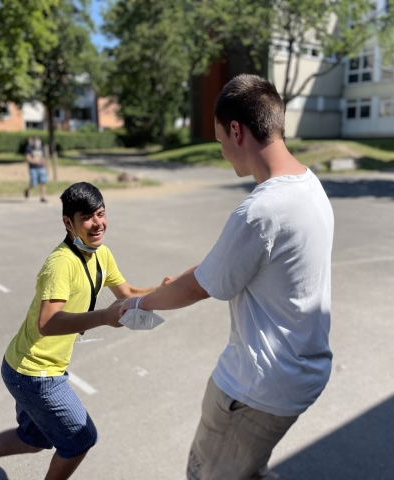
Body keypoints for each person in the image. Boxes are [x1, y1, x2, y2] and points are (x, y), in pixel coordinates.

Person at [120, 74, 334, 480]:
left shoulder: (261, 211)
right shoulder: (308, 186)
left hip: (256, 387)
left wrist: (137, 304)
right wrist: (174, 284)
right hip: (299, 374)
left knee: (206, 474)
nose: (222, 151)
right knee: (246, 468)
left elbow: (200, 287)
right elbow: (218, 269)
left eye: (220, 141)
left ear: (236, 131)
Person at [0, 182, 170, 480]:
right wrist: (104, 317)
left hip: (28, 366)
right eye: (87, 218)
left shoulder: (101, 254)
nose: (98, 223)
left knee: (34, 439)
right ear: (68, 223)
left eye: (101, 213)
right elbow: (47, 323)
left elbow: (127, 292)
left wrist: (161, 290)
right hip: (34, 373)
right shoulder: (61, 264)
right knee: (81, 439)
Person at [24, 136, 48, 203]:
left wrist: (45, 167)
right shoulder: (29, 148)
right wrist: (34, 161)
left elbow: (43, 158)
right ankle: (27, 190)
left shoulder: (41, 148)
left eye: (38, 140)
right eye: (36, 140)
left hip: (41, 168)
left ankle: (42, 197)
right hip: (33, 168)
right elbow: (28, 158)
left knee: (43, 182)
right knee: (33, 183)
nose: (37, 142)